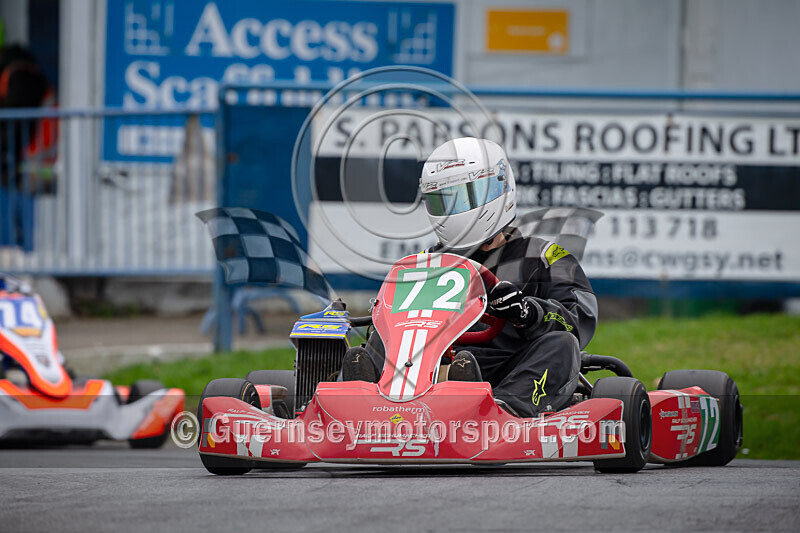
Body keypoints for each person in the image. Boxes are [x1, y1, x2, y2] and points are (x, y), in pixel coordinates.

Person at [342, 137, 598, 417]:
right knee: (381, 335)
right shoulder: (425, 263)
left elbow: (579, 321)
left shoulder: (543, 256)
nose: (455, 210)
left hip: (508, 370)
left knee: (561, 343)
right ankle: (367, 397)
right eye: (444, 200)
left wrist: (528, 312)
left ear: (499, 189)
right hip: (426, 368)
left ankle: (501, 410)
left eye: (465, 196)